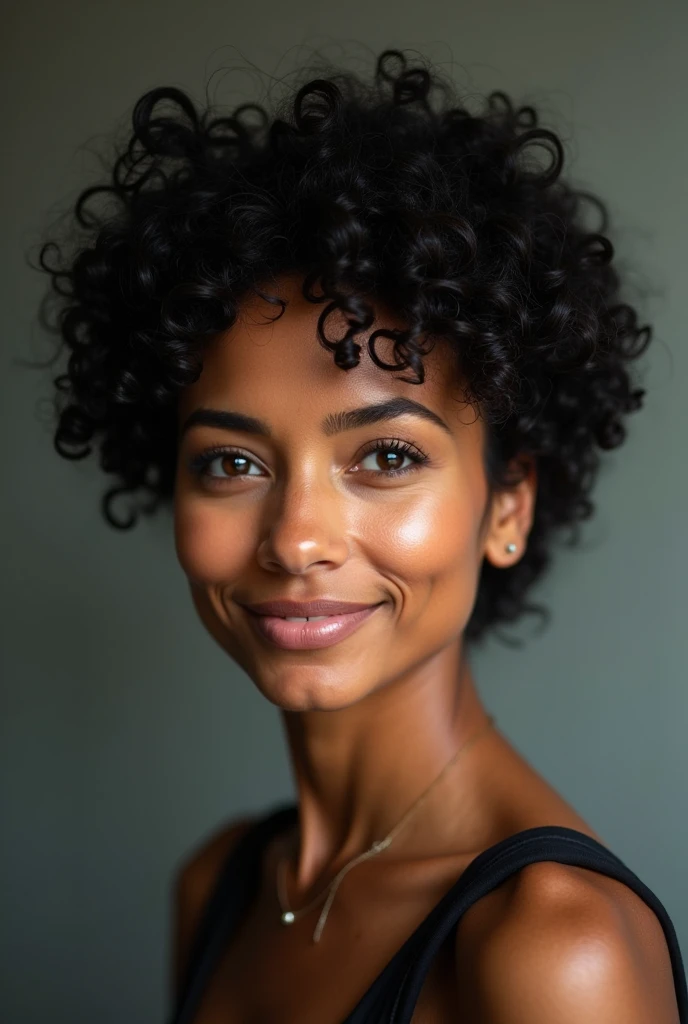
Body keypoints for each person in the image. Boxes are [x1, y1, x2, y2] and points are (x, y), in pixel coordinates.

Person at [36, 48, 686, 1023]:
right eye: (231, 462)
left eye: (384, 457)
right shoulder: (218, 886)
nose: (296, 540)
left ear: (507, 504)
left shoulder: (552, 948)